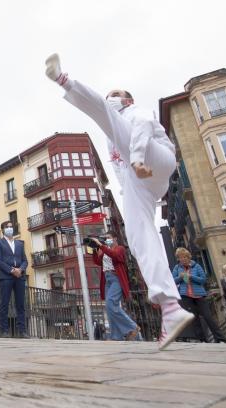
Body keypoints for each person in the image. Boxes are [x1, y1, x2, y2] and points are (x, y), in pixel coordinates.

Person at [45, 53, 194, 349]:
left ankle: (63, 79)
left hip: (157, 158)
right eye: (110, 95)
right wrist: (133, 195)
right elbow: (121, 171)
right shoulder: (114, 136)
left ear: (127, 100)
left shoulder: (136, 112)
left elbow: (141, 127)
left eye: (117, 95)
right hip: (140, 183)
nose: (111, 98)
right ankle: (170, 307)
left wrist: (138, 158)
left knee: (103, 113)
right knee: (139, 237)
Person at [89, 232, 139, 341]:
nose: (106, 240)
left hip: (116, 278)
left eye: (108, 238)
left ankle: (133, 327)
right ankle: (116, 336)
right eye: (105, 238)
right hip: (107, 280)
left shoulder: (120, 248)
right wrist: (94, 248)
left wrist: (101, 245)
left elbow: (115, 256)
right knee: (109, 306)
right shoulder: (105, 251)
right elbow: (98, 261)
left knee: (111, 303)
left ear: (115, 238)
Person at [171, 248, 226, 343]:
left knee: (208, 316)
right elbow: (173, 280)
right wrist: (181, 277)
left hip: (199, 295)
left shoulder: (196, 266)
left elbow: (203, 279)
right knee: (194, 318)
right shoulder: (177, 268)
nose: (183, 259)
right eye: (180, 257)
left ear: (188, 257)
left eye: (184, 257)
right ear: (178, 259)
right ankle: (203, 340)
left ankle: (220, 339)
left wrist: (191, 276)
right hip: (185, 296)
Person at [0, 221, 29, 338]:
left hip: (20, 277)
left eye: (11, 226)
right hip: (6, 277)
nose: (10, 228)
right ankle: (4, 330)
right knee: (4, 303)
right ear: (2, 230)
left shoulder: (19, 243)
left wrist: (21, 270)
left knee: (21, 304)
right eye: (7, 227)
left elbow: (25, 260)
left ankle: (22, 330)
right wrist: (11, 270)